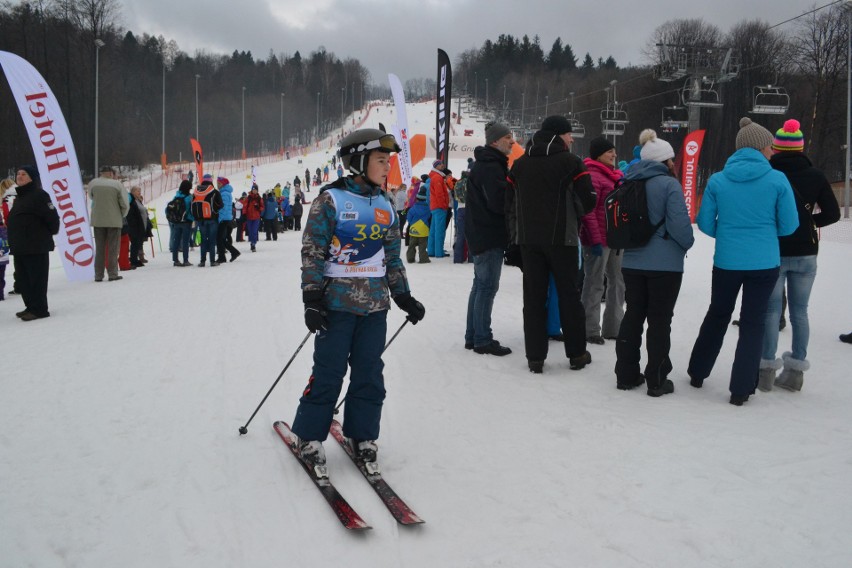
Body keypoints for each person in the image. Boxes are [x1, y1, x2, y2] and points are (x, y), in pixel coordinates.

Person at [291, 128, 425, 468]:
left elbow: (392, 257)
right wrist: (311, 297)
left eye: (389, 162)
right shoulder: (330, 200)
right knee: (329, 372)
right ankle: (308, 435)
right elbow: (313, 251)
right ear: (358, 162)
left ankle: (362, 433)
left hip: (374, 307)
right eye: (381, 161)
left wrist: (404, 296)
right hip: (335, 306)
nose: (386, 168)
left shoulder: (385, 205)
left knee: (369, 372)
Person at [687, 118, 799, 406]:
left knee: (718, 314)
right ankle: (740, 389)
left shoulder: (718, 179)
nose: (773, 152)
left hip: (727, 262)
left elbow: (706, 225)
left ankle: (698, 372)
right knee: (753, 322)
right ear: (761, 147)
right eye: (770, 148)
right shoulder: (777, 180)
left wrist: (729, 231)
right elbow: (789, 226)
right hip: (764, 263)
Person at [507, 115, 596, 373]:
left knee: (533, 298)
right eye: (569, 134)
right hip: (563, 240)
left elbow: (509, 205)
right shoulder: (571, 162)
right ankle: (577, 354)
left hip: (529, 242)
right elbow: (588, 200)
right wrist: (574, 212)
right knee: (569, 296)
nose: (571, 139)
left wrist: (515, 238)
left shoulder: (520, 164)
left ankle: (535, 357)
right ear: (559, 135)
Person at [758, 119, 840, 392]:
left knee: (771, 311)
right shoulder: (816, 175)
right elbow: (833, 214)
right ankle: (795, 373)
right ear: (802, 148)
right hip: (806, 251)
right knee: (800, 312)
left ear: (777, 148)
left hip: (774, 249)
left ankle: (766, 370)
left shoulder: (768, 173)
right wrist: (809, 223)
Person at [614, 129, 694, 396]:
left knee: (633, 314)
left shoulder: (628, 181)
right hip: (666, 266)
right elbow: (680, 226)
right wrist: (686, 244)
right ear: (666, 161)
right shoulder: (669, 184)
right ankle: (657, 379)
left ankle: (625, 374)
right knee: (660, 321)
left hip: (632, 261)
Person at [464, 122, 516, 356]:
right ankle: (482, 338)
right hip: (488, 234)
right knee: (486, 287)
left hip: (481, 233)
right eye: (508, 137)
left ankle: (473, 335)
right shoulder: (490, 167)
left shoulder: (487, 164)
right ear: (495, 141)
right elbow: (497, 202)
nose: (512, 142)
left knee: (480, 286)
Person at [580, 136, 625, 344]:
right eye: (610, 152)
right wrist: (595, 241)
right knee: (594, 283)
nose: (614, 155)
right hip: (597, 240)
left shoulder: (614, 176)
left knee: (618, 282)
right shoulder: (593, 176)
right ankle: (590, 329)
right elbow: (589, 212)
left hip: (615, 240)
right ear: (599, 154)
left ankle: (614, 327)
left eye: (614, 151)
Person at [5, 165, 59, 320]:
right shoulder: (20, 196)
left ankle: (40, 309)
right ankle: (30, 306)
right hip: (20, 246)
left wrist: (40, 235)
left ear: (32, 178)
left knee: (36, 279)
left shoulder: (39, 195)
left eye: (24, 174)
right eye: (18, 173)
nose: (20, 176)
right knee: (23, 279)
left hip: (35, 246)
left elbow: (52, 220)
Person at [88, 165, 129, 282]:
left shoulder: (93, 183)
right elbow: (124, 204)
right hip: (113, 220)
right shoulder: (117, 185)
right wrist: (121, 214)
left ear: (101, 173)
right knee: (113, 248)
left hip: (98, 220)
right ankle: (112, 273)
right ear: (111, 174)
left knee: (100, 248)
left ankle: (98, 274)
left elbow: (91, 196)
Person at [192, 173, 224, 266]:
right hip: (212, 219)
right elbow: (221, 205)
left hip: (200, 220)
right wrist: (214, 209)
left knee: (203, 240)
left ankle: (202, 261)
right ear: (211, 181)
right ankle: (212, 261)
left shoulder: (196, 191)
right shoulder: (215, 191)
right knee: (212, 240)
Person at [426, 160, 449, 258]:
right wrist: (443, 205)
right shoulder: (438, 177)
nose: (442, 165)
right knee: (439, 230)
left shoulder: (434, 177)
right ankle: (439, 252)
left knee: (433, 230)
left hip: (434, 206)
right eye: (440, 164)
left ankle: (431, 250)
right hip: (439, 206)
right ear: (436, 166)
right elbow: (439, 194)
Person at [215, 177, 241, 263]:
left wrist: (219, 218)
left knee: (219, 238)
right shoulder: (224, 192)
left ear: (223, 184)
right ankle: (233, 252)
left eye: (219, 184)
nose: (217, 185)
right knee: (221, 238)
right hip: (225, 218)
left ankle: (223, 257)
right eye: (217, 183)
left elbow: (224, 208)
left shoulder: (224, 193)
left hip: (223, 218)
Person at [170, 181, 194, 266]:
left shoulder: (176, 196)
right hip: (186, 221)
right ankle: (185, 260)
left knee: (176, 240)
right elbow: (191, 210)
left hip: (176, 222)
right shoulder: (189, 197)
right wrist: (192, 219)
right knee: (185, 241)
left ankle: (175, 260)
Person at [406, 183, 431, 263]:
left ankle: (410, 258)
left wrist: (412, 223)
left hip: (414, 229)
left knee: (411, 245)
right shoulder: (428, 209)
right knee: (423, 246)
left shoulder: (412, 209)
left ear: (417, 199)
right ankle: (423, 259)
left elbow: (409, 218)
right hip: (424, 229)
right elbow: (430, 218)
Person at [126, 186, 150, 268]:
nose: (139, 192)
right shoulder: (131, 201)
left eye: (140, 190)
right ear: (132, 192)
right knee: (134, 242)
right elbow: (131, 214)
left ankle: (135, 259)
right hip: (134, 226)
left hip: (141, 225)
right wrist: (134, 224)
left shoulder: (138, 201)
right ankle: (133, 260)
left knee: (138, 243)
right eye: (137, 191)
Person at [452, 171, 470, 263]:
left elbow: (455, 196)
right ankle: (472, 258)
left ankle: (457, 258)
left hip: (460, 209)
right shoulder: (471, 182)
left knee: (460, 235)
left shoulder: (457, 183)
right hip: (470, 209)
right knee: (471, 235)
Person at [244, 185, 263, 252]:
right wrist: (244, 214)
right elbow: (245, 206)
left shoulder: (259, 198)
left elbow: (262, 207)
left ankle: (253, 244)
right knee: (250, 231)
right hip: (249, 217)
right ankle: (252, 242)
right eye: (253, 189)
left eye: (255, 190)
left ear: (257, 190)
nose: (254, 191)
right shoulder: (248, 198)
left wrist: (258, 208)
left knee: (254, 231)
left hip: (256, 217)